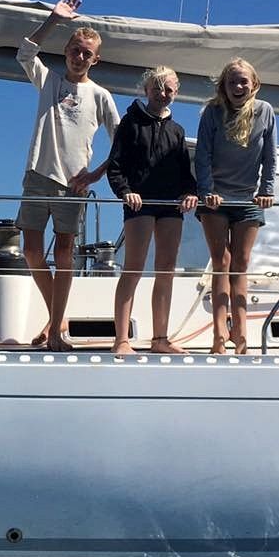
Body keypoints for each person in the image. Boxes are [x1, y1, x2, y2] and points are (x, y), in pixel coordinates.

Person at [15, 0, 120, 352]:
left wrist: (96, 175)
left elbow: (122, 143)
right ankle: (56, 316)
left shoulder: (102, 96)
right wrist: (54, 19)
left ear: (96, 58)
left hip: (74, 183)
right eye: (75, 50)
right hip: (38, 174)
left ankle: (57, 332)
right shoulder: (49, 81)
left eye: (86, 53)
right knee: (30, 252)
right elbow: (25, 54)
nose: (79, 57)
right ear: (66, 52)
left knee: (64, 255)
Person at [107, 67, 198, 355]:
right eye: (157, 88)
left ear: (176, 93)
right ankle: (121, 339)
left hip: (171, 206)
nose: (162, 94)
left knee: (166, 271)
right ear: (146, 90)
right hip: (140, 203)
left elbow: (185, 171)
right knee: (133, 268)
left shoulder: (177, 131)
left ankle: (161, 338)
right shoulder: (130, 124)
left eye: (169, 89)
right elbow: (116, 165)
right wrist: (125, 192)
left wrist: (190, 192)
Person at [195, 58, 277, 355]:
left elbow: (270, 155)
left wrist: (266, 190)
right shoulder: (212, 113)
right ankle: (219, 335)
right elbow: (202, 154)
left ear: (253, 84)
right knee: (222, 263)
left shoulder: (265, 112)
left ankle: (241, 336)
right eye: (232, 82)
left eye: (243, 81)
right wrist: (206, 191)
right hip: (215, 197)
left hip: (247, 198)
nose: (238, 87)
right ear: (223, 87)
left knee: (241, 263)